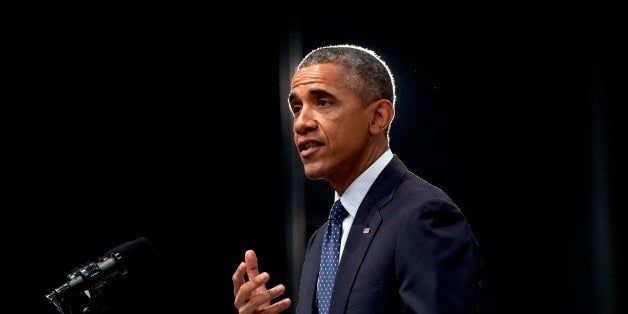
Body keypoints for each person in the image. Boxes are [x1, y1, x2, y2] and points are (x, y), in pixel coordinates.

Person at [232, 44, 481, 313]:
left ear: (378, 117)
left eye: (322, 102)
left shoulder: (423, 215)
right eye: (296, 107)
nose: (301, 123)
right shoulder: (323, 239)